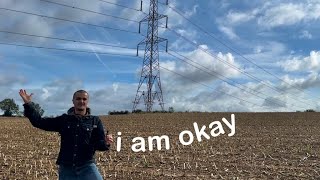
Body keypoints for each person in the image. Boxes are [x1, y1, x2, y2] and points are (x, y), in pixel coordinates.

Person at [19, 89, 113, 180]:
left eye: (84, 99)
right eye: (78, 99)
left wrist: (106, 142)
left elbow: (99, 145)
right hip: (66, 167)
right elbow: (39, 122)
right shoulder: (64, 120)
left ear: (87, 101)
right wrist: (28, 104)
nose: (81, 101)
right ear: (73, 101)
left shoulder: (95, 121)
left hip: (87, 166)